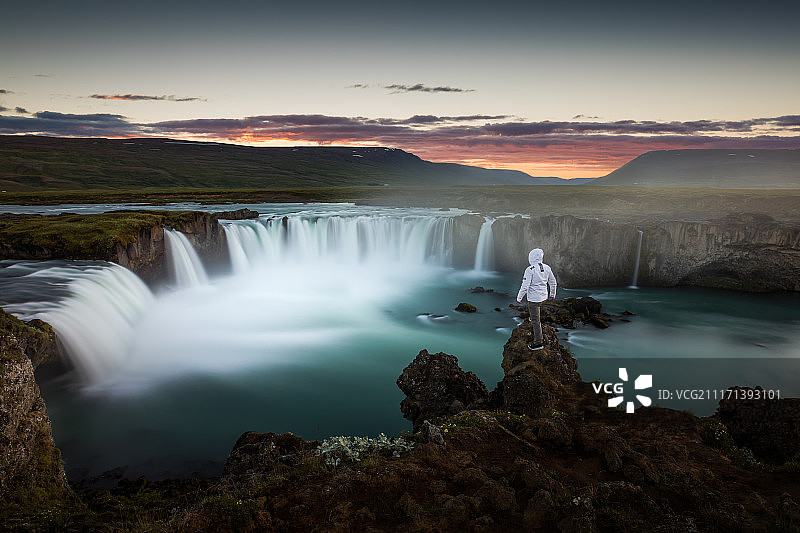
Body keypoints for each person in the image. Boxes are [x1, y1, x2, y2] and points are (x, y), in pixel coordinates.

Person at [516, 248, 557, 351]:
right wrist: (552, 294)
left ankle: (538, 343)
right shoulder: (547, 267)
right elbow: (553, 282)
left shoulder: (530, 270)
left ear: (531, 257)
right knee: (537, 310)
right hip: (544, 298)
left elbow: (525, 286)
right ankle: (534, 317)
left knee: (536, 322)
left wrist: (519, 297)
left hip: (534, 300)